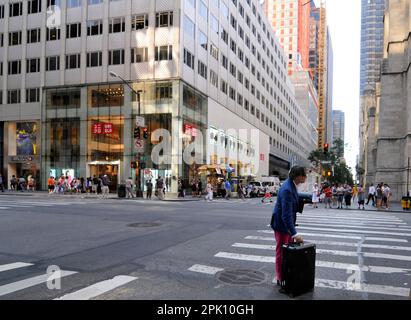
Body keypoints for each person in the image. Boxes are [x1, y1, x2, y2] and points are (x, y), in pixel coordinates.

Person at [270, 166, 306, 287]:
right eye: (304, 175)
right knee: (281, 252)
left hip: (286, 226)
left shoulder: (292, 185)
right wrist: (295, 234)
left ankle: (285, 273)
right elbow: (286, 215)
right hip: (281, 225)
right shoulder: (287, 189)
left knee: (286, 252)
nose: (305, 177)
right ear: (298, 176)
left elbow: (295, 198)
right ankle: (280, 277)